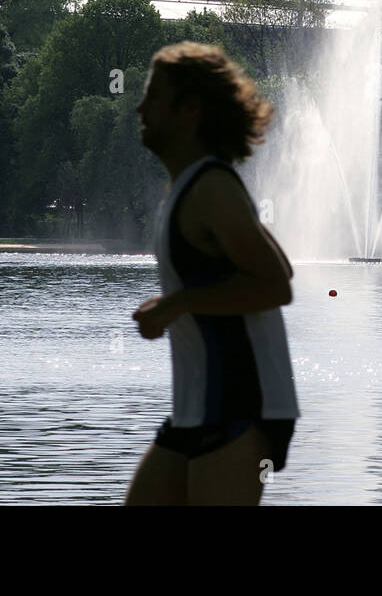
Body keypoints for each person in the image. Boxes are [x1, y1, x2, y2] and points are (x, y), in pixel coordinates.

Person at [126, 42, 298, 506]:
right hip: (195, 407)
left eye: (154, 96)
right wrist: (174, 304)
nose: (140, 107)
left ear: (190, 111)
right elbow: (278, 267)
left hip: (240, 407)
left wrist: (178, 303)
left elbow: (275, 285)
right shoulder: (193, 186)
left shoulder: (212, 188)